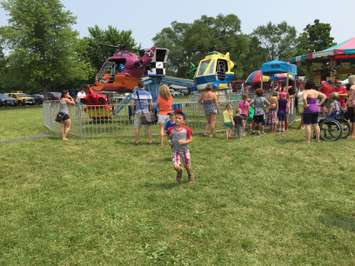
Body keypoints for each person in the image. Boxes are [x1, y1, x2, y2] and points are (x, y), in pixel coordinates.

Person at [167, 110, 193, 184]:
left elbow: (190, 139)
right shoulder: (170, 130)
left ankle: (190, 175)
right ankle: (179, 171)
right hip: (175, 151)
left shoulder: (187, 130)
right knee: (175, 166)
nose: (177, 119)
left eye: (179, 118)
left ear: (183, 121)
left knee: (187, 165)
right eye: (176, 118)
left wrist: (184, 142)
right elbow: (169, 137)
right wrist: (170, 142)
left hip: (184, 151)